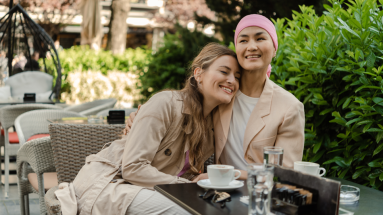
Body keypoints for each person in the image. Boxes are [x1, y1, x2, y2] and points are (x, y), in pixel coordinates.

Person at [55, 43, 241, 215]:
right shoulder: (166, 103)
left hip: (149, 189)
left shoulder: (210, 128)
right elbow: (133, 168)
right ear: (199, 74)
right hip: (110, 185)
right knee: (187, 211)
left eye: (237, 77)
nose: (231, 80)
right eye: (224, 72)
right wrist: (187, 185)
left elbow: (180, 171)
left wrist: (196, 180)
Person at [125, 15, 305, 181]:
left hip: (260, 195)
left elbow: (286, 176)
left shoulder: (289, 107)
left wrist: (229, 174)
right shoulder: (223, 94)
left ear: (274, 49)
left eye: (260, 38)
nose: (251, 46)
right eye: (243, 40)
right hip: (220, 195)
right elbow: (182, 107)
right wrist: (139, 116)